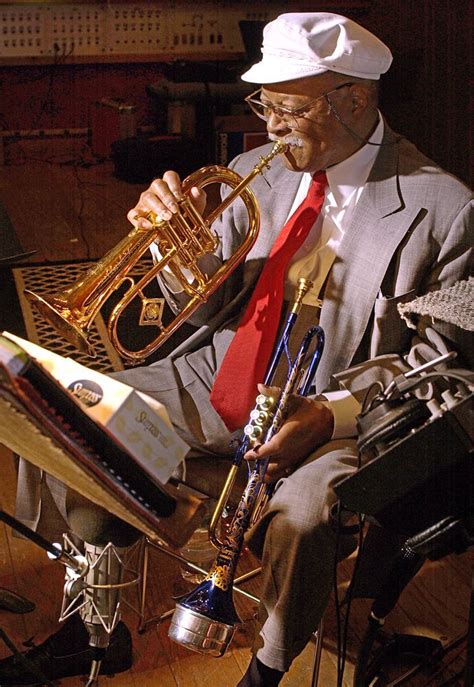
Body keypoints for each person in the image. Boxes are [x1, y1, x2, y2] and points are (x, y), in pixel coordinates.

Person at [1, 11, 472, 687]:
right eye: (265, 105)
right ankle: (92, 629)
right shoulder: (258, 169)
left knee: (306, 513)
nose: (270, 125)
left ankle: (267, 668)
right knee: (68, 405)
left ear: (355, 99)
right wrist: (171, 246)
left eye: (287, 107)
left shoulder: (444, 207)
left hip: (333, 414)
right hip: (217, 378)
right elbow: (202, 302)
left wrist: (329, 414)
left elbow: (440, 370)